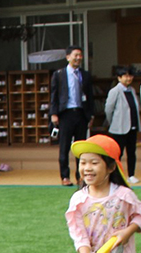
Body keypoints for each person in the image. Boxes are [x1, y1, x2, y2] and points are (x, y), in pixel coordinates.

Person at [50, 45, 94, 186]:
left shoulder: (85, 75)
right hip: (66, 114)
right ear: (68, 57)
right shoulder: (59, 74)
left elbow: (90, 96)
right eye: (75, 55)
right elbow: (54, 96)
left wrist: (91, 115)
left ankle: (80, 176)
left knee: (81, 147)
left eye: (80, 55)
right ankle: (64, 176)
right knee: (64, 147)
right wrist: (54, 113)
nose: (78, 58)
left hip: (81, 113)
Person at [104, 66, 141, 184]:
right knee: (117, 153)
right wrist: (113, 122)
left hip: (132, 126)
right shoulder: (115, 91)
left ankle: (131, 174)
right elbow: (108, 109)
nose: (128, 78)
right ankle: (116, 175)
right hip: (118, 128)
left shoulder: (132, 90)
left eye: (130, 75)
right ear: (119, 77)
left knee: (132, 152)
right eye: (125, 76)